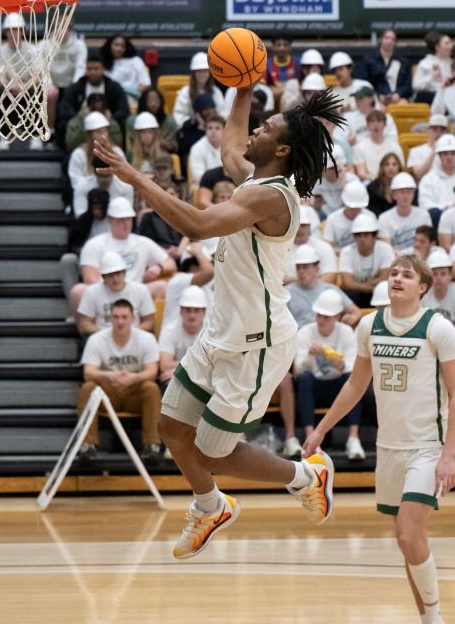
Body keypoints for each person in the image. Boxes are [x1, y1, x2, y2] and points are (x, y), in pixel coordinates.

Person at [93, 87, 349, 559]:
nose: (257, 128)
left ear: (283, 150)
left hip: (257, 343)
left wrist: (134, 177)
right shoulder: (256, 179)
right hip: (221, 332)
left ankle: (307, 475)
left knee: (214, 452)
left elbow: (195, 225)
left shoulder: (273, 200)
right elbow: (231, 145)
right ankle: (210, 505)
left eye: (267, 128)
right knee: (172, 426)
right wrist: (244, 89)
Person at [303, 253, 455, 624]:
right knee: (406, 540)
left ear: (423, 287)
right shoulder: (369, 326)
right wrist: (322, 428)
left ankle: (437, 620)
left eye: (406, 275)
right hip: (389, 449)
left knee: (409, 533)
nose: (397, 279)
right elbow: (356, 385)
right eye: (393, 273)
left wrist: (449, 455)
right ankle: (428, 622)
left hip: (427, 446)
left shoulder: (438, 328)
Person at [76, 299, 163, 461]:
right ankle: (87, 444)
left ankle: (153, 445)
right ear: (110, 319)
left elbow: (152, 372)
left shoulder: (146, 339)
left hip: (134, 392)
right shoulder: (96, 339)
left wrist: (133, 378)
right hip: (108, 393)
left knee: (151, 387)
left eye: (124, 317)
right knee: (88, 387)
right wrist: (110, 376)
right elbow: (88, 372)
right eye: (116, 317)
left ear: (133, 319)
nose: (120, 322)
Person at [72, 198, 175, 315]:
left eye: (128, 219)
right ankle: (88, 331)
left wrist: (158, 267)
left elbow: (171, 263)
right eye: (120, 220)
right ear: (110, 220)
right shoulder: (94, 244)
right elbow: (90, 279)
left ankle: (151, 328)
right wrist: (115, 290)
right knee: (78, 291)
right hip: (106, 292)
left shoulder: (143, 242)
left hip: (136, 292)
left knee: (162, 287)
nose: (125, 223)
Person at [293, 290, 363, 460]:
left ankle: (353, 438)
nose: (321, 320)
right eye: (319, 315)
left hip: (337, 386)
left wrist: (339, 364)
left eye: (326, 317)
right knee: (304, 379)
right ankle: (311, 438)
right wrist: (310, 355)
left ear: (337, 317)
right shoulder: (305, 333)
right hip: (314, 386)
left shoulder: (346, 332)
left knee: (353, 381)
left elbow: (353, 366)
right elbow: (297, 370)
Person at [56, 51, 131, 149]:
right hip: (83, 124)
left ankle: (118, 151)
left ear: (103, 69)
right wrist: (80, 116)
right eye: (89, 69)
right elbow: (64, 109)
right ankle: (69, 153)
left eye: (96, 69)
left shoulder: (114, 87)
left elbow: (124, 110)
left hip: (107, 123)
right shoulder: (77, 86)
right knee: (63, 125)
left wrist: (111, 117)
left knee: (123, 123)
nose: (93, 72)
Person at [75, 251, 158, 336]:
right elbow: (85, 323)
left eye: (118, 274)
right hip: (102, 337)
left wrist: (131, 334)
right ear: (103, 277)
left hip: (134, 335)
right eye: (110, 275)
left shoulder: (141, 290)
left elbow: (150, 321)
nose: (115, 279)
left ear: (124, 273)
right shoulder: (92, 292)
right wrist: (106, 335)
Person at [286, 245, 361, 329]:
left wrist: (351, 318)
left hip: (329, 338)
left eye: (305, 267)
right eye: (298, 267)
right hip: (299, 338)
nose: (301, 271)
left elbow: (356, 312)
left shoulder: (330, 289)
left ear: (317, 268)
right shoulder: (287, 293)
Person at [157, 285, 209, 391]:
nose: (192, 315)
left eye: (196, 310)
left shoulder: (211, 333)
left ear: (203, 312)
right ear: (181, 311)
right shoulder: (169, 331)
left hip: (202, 380)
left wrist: (180, 372)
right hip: (176, 381)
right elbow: (164, 365)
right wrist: (197, 366)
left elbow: (212, 366)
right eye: (188, 310)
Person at [339, 213, 394, 308]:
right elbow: (347, 283)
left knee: (385, 290)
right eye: (358, 235)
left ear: (374, 236)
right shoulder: (346, 252)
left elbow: (385, 278)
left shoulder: (386, 249)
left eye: (366, 234)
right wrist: (370, 288)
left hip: (376, 290)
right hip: (359, 293)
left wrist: (360, 285)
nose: (362, 239)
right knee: (349, 294)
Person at [356, 29, 412, 103]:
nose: (390, 41)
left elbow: (407, 85)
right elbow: (364, 82)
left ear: (395, 43)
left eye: (393, 39)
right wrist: (377, 95)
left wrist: (398, 94)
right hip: (375, 98)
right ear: (380, 40)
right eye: (386, 38)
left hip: (398, 98)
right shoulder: (368, 60)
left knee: (404, 106)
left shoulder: (403, 62)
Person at [418, 135, 455, 214]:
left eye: (453, 153)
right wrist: (446, 207)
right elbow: (424, 205)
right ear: (439, 155)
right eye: (445, 153)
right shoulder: (428, 179)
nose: (449, 157)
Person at [412, 31, 454, 102]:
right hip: (429, 96)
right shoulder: (425, 63)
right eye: (447, 43)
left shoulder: (452, 63)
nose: (451, 46)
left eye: (450, 43)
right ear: (437, 47)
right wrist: (431, 77)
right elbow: (416, 86)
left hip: (448, 95)